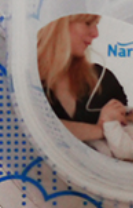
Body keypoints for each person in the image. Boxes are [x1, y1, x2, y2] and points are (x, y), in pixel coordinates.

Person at [37, 14, 128, 144]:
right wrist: (100, 131)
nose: (95, 33)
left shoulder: (103, 80)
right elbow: (35, 127)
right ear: (59, 24)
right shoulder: (23, 83)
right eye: (88, 23)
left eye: (96, 25)